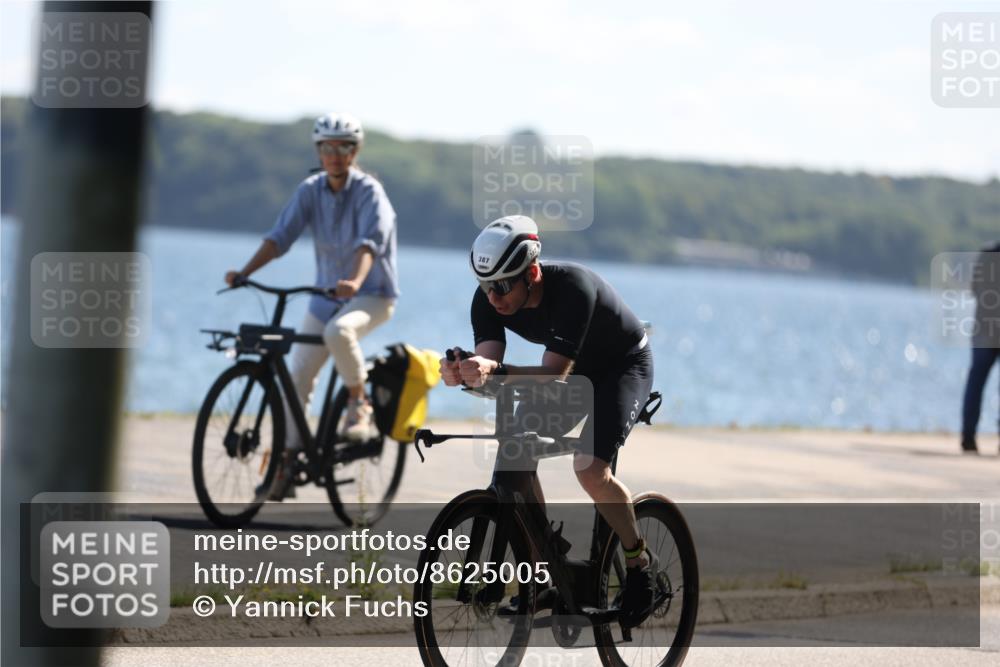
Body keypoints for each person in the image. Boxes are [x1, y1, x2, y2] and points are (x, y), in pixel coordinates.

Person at [439, 215, 656, 628]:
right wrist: (462, 371)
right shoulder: (488, 297)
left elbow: (554, 375)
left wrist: (495, 372)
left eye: (503, 285)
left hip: (621, 367)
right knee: (517, 447)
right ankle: (546, 566)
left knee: (590, 470)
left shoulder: (573, 289)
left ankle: (638, 563)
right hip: (576, 370)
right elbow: (491, 361)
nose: (494, 297)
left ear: (532, 272)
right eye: (486, 286)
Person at [225, 112, 399, 498]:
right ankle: (285, 466)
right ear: (318, 151)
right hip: (324, 297)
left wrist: (354, 281)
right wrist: (244, 272)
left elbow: (370, 244)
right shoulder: (310, 191)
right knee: (297, 376)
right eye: (328, 147)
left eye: (344, 147)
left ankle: (359, 403)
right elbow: (279, 238)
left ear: (355, 151)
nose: (335, 154)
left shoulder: (370, 193)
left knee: (341, 331)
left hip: (372, 295)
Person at [960, 241, 1000, 455]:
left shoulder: (987, 255)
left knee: (976, 381)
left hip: (984, 328)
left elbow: (975, 289)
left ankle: (967, 437)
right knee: (976, 381)